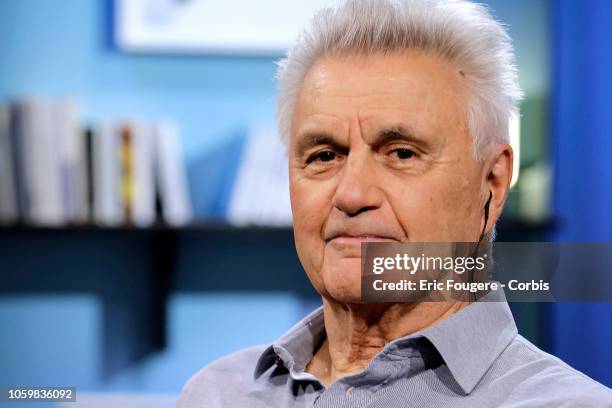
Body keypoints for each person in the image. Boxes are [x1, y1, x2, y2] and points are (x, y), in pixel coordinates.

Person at [178, 0, 612, 406]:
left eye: (402, 153)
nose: (351, 195)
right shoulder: (215, 393)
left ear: (492, 182)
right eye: (324, 156)